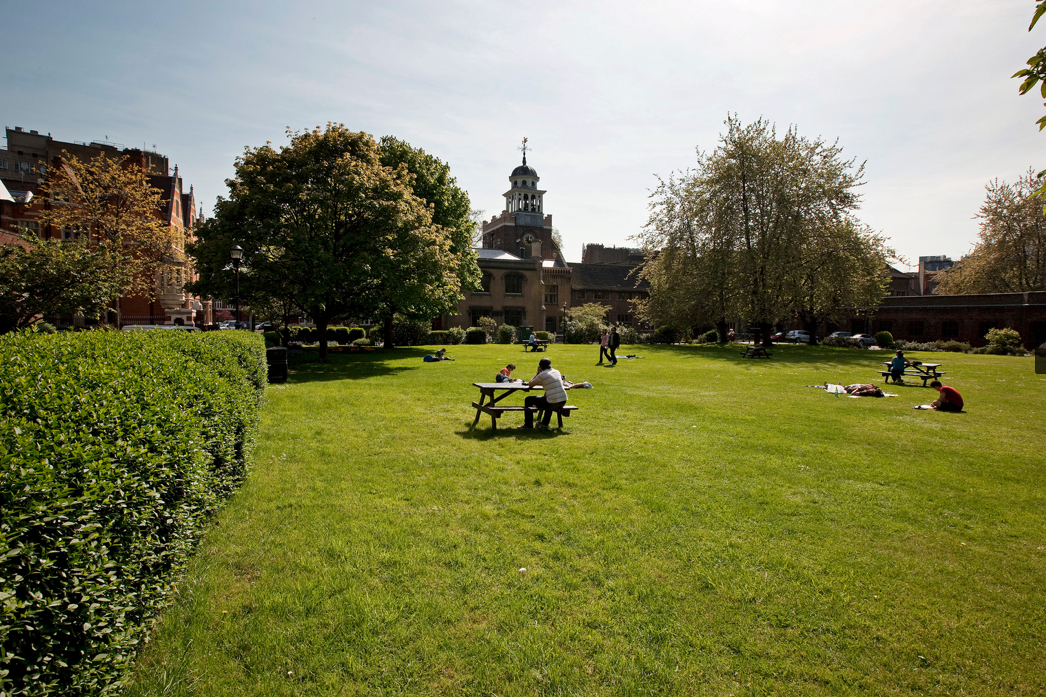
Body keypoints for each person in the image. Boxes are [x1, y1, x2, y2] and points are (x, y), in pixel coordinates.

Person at [520, 357, 568, 429]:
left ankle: (528, 425)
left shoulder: (542, 375)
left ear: (540, 366)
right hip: (563, 400)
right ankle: (545, 423)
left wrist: (538, 373)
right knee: (549, 397)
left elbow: (530, 384)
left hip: (553, 402)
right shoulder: (557, 371)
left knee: (528, 399)